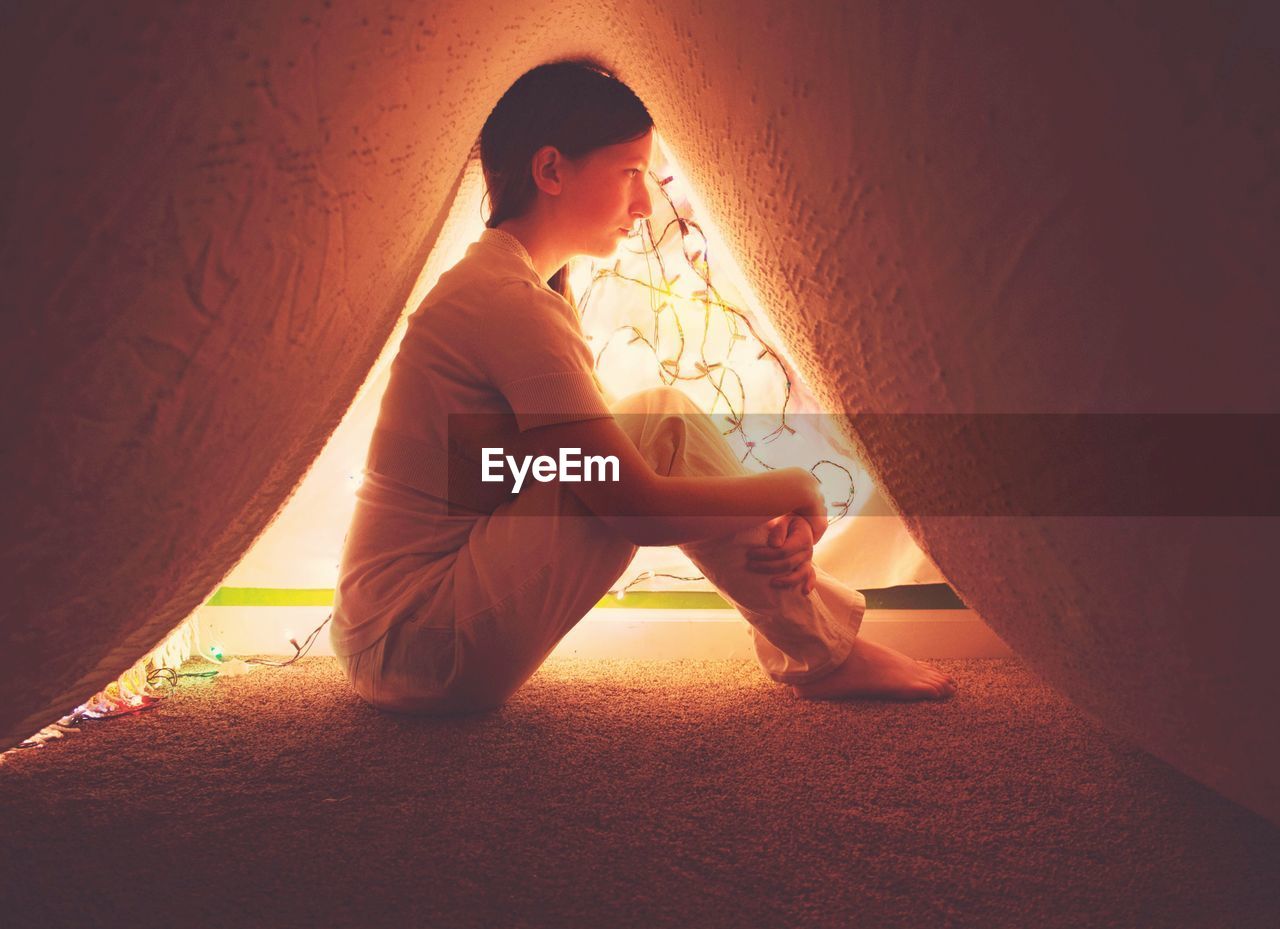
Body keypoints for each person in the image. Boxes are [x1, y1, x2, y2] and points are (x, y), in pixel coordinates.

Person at [330, 58, 958, 713]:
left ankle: (818, 643)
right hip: (417, 642)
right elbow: (635, 508)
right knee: (660, 426)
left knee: (655, 425)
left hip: (397, 639)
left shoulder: (503, 286)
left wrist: (770, 507)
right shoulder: (506, 301)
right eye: (630, 172)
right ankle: (823, 651)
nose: (645, 202)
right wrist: (798, 489)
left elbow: (516, 469)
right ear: (550, 171)